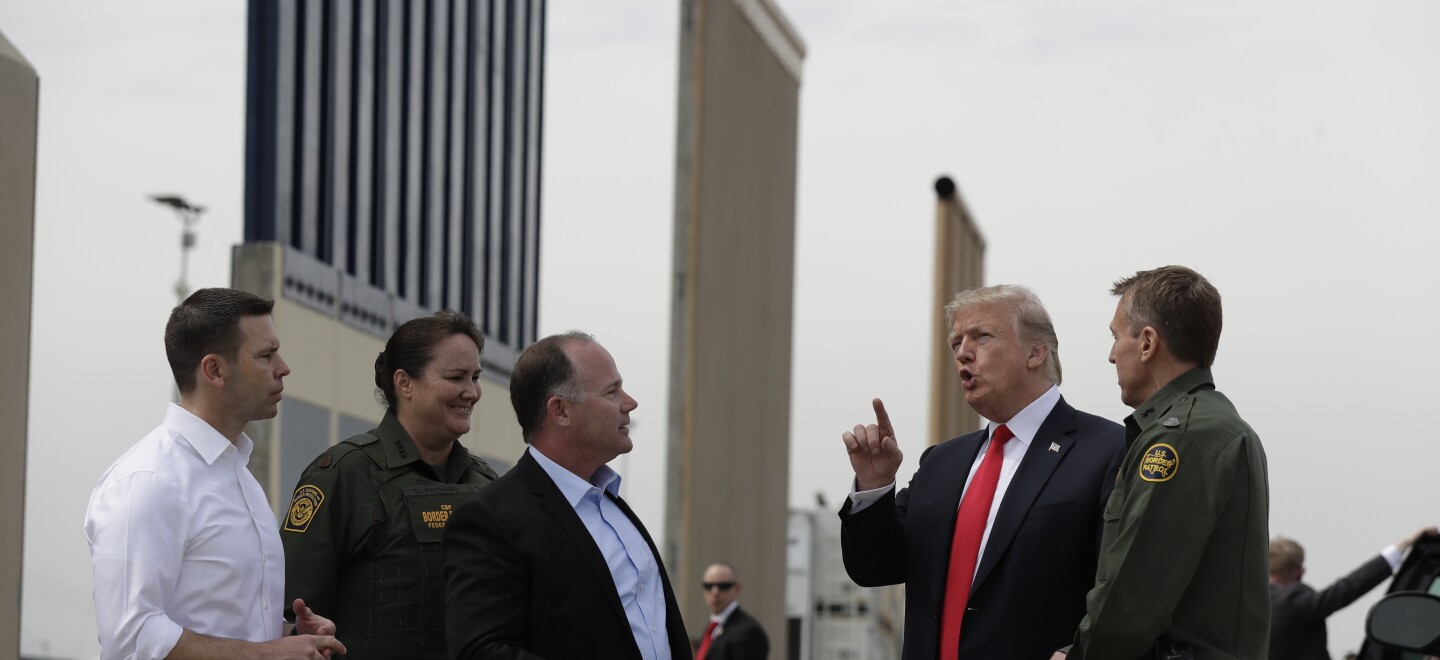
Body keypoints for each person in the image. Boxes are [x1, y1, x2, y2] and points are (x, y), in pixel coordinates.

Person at [840, 284, 1125, 659]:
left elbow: (1125, 591)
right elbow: (873, 568)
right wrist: (874, 487)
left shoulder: (1110, 450)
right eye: (956, 342)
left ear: (1036, 352)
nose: (962, 353)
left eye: (981, 337)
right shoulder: (941, 463)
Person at [84, 288, 346, 659]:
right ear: (215, 370)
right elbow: (131, 636)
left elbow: (221, 621)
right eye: (265, 355)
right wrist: (269, 653)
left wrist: (290, 634)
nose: (283, 367)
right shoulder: (149, 480)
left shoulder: (240, 477)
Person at [1058, 265, 1270, 660]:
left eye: (1116, 336)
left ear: (1147, 343)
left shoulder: (1178, 437)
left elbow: (1133, 595)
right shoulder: (1215, 426)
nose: (1110, 355)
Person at [442, 332, 691, 659]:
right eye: (611, 391)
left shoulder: (614, 506)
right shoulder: (491, 520)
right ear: (560, 411)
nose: (629, 403)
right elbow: (480, 651)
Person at [280, 309, 498, 659]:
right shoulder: (343, 474)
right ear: (404, 383)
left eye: (475, 377)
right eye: (457, 377)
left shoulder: (486, 484)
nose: (471, 392)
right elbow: (292, 614)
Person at [1269, 526, 1438, 660]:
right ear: (1299, 572)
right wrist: (1404, 544)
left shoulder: (1250, 606)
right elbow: (1348, 588)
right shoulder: (1291, 602)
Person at [695, 562, 769, 660]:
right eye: (709, 586)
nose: (715, 592)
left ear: (737, 588)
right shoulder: (712, 627)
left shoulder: (749, 632)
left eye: (723, 586)